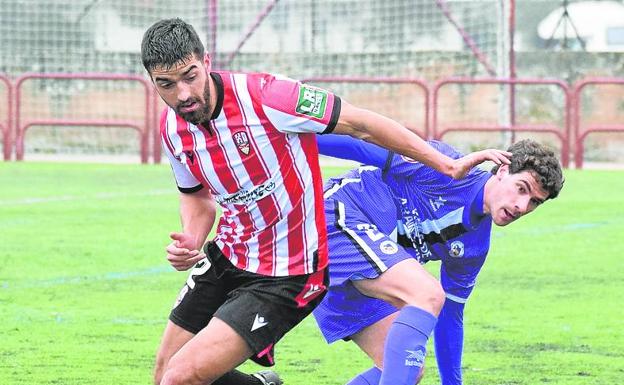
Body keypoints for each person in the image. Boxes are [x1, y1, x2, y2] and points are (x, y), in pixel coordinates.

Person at [141, 18, 511, 385]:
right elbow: (196, 196)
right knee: (165, 374)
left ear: (206, 62)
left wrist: (446, 165)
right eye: (167, 85)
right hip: (229, 253)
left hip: (286, 269)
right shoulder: (172, 128)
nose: (183, 95)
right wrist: (192, 237)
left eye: (190, 76)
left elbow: (361, 125)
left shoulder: (270, 96)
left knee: (180, 377)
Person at [311, 135, 564, 385]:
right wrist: (294, 140)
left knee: (408, 369)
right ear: (503, 170)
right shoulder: (443, 164)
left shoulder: (474, 248)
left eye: (534, 202)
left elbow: (451, 317)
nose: (522, 205)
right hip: (335, 219)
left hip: (357, 269)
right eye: (521, 188)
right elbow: (362, 148)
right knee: (426, 293)